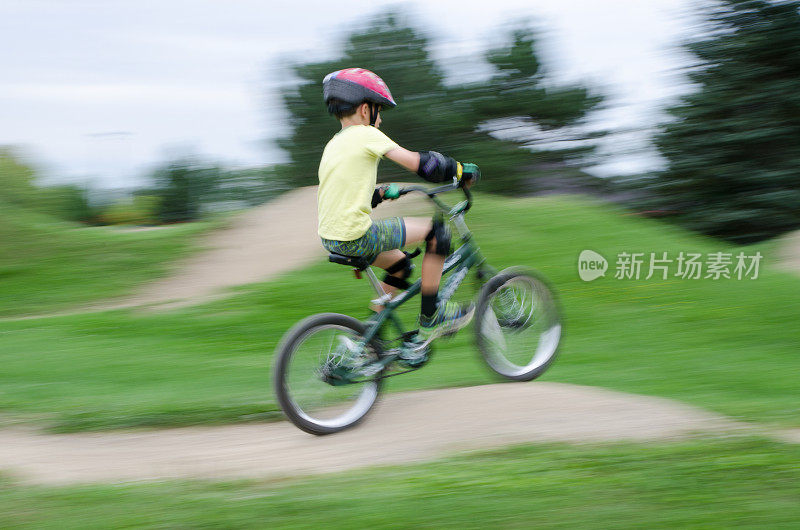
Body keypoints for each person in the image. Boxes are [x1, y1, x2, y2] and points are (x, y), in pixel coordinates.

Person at [318, 67, 478, 362]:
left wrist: (381, 193)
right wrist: (458, 169)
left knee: (402, 266)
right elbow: (422, 164)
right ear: (366, 110)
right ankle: (433, 314)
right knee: (437, 232)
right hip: (357, 234)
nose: (381, 119)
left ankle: (368, 337)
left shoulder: (335, 144)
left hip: (334, 237)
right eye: (379, 112)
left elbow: (347, 190)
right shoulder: (366, 134)